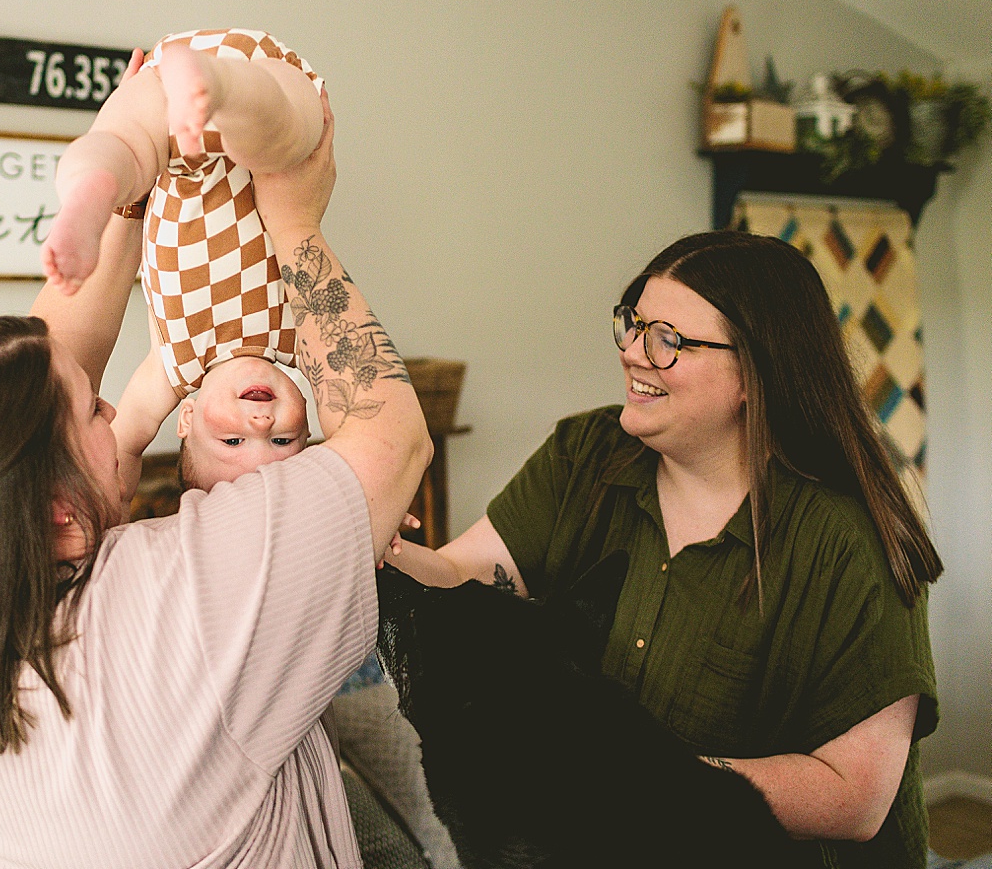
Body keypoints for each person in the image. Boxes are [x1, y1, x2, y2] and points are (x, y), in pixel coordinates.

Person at [0, 81, 434, 868]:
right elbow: (393, 439)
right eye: (92, 412)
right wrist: (297, 224)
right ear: (60, 517)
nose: (112, 411)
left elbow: (47, 361)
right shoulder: (190, 602)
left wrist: (129, 199)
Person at [388, 230, 941, 867]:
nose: (632, 353)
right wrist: (367, 534)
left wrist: (630, 771)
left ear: (755, 373)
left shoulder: (848, 542)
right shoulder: (585, 452)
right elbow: (460, 577)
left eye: (668, 340)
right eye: (633, 324)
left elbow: (856, 796)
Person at [43, 29, 325, 498]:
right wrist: (381, 507)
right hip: (256, 88)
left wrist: (110, 499)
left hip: (171, 151)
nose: (260, 421)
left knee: (122, 147)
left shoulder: (171, 373)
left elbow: (122, 453)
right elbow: (358, 429)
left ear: (187, 419)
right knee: (285, 138)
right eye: (282, 440)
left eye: (232, 440)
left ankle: (89, 194)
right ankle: (220, 85)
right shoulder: (308, 349)